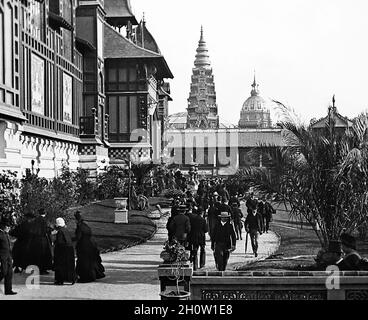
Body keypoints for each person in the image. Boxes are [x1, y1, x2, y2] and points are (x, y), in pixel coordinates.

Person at [74, 211, 105, 283]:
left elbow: (78, 237)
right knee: (90, 261)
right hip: (90, 244)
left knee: (84, 262)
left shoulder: (80, 227)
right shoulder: (86, 226)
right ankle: (92, 275)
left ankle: (86, 277)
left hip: (83, 246)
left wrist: (70, 239)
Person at [27, 209, 53, 274]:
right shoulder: (45, 220)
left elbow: (32, 230)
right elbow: (47, 230)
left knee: (37, 254)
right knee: (44, 254)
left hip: (36, 240)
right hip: (43, 239)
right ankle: (43, 269)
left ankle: (37, 268)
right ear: (45, 213)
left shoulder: (36, 220)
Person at [53, 217, 76, 285]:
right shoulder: (66, 230)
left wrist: (54, 243)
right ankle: (72, 278)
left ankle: (60, 280)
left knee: (60, 265)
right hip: (69, 250)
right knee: (69, 265)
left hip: (62, 251)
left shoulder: (60, 231)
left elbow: (59, 242)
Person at [0, 217, 16, 295]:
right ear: (3, 226)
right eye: (7, 226)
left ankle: (8, 290)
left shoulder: (6, 234)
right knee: (3, 272)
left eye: (9, 226)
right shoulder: (0, 234)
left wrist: (11, 257)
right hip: (2, 257)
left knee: (9, 273)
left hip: (8, 256)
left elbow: (9, 246)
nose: (9, 228)